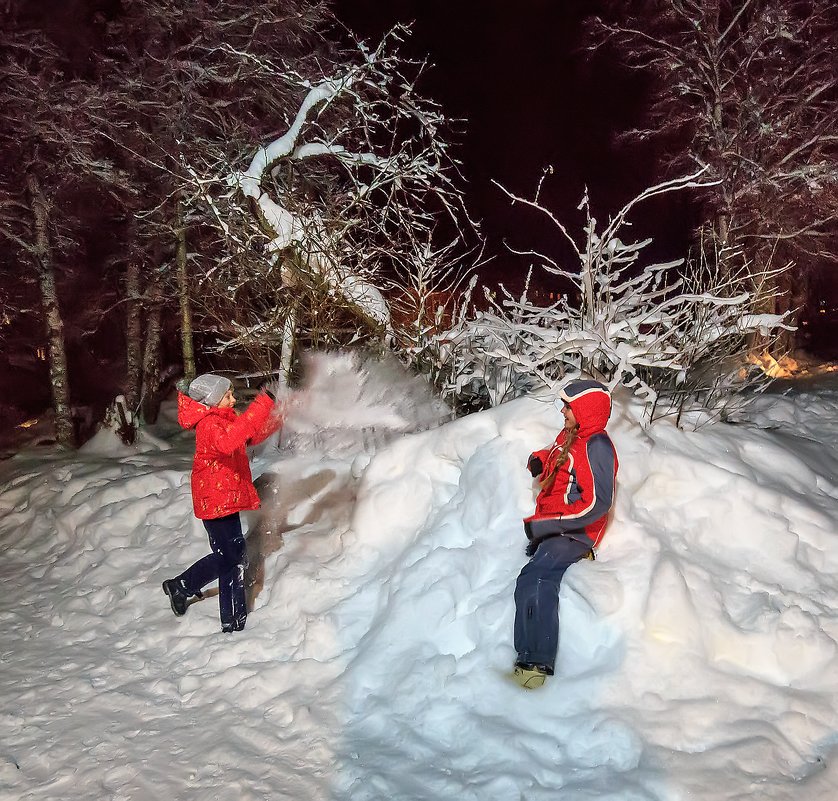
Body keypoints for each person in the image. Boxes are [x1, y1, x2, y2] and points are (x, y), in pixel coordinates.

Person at [512, 379, 618, 688]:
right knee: (531, 574)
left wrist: (550, 525)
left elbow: (598, 503)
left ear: (585, 411)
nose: (563, 410)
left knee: (537, 577)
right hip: (558, 523)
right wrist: (540, 461)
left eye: (568, 406)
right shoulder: (573, 433)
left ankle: (536, 660)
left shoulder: (597, 445)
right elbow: (557, 451)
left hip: (575, 530)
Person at [162, 373, 281, 633]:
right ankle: (186, 588)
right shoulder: (209, 425)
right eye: (228, 395)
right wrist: (260, 405)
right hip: (214, 501)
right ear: (212, 401)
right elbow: (230, 441)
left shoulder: (225, 419)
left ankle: (229, 617)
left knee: (234, 558)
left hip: (225, 499)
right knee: (230, 557)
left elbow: (250, 435)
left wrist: (277, 414)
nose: (234, 398)